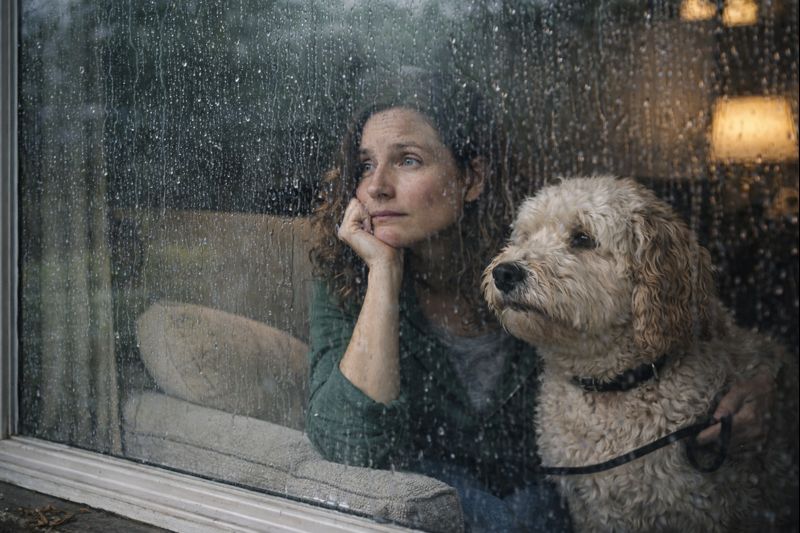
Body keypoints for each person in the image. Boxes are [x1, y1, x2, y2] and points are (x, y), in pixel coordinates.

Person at [304, 71, 776, 532]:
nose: (376, 186)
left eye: (407, 160)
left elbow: (700, 330)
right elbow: (350, 448)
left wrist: (764, 389)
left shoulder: (532, 258)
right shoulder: (349, 278)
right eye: (365, 165)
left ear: (472, 178)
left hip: (549, 503)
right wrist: (383, 275)